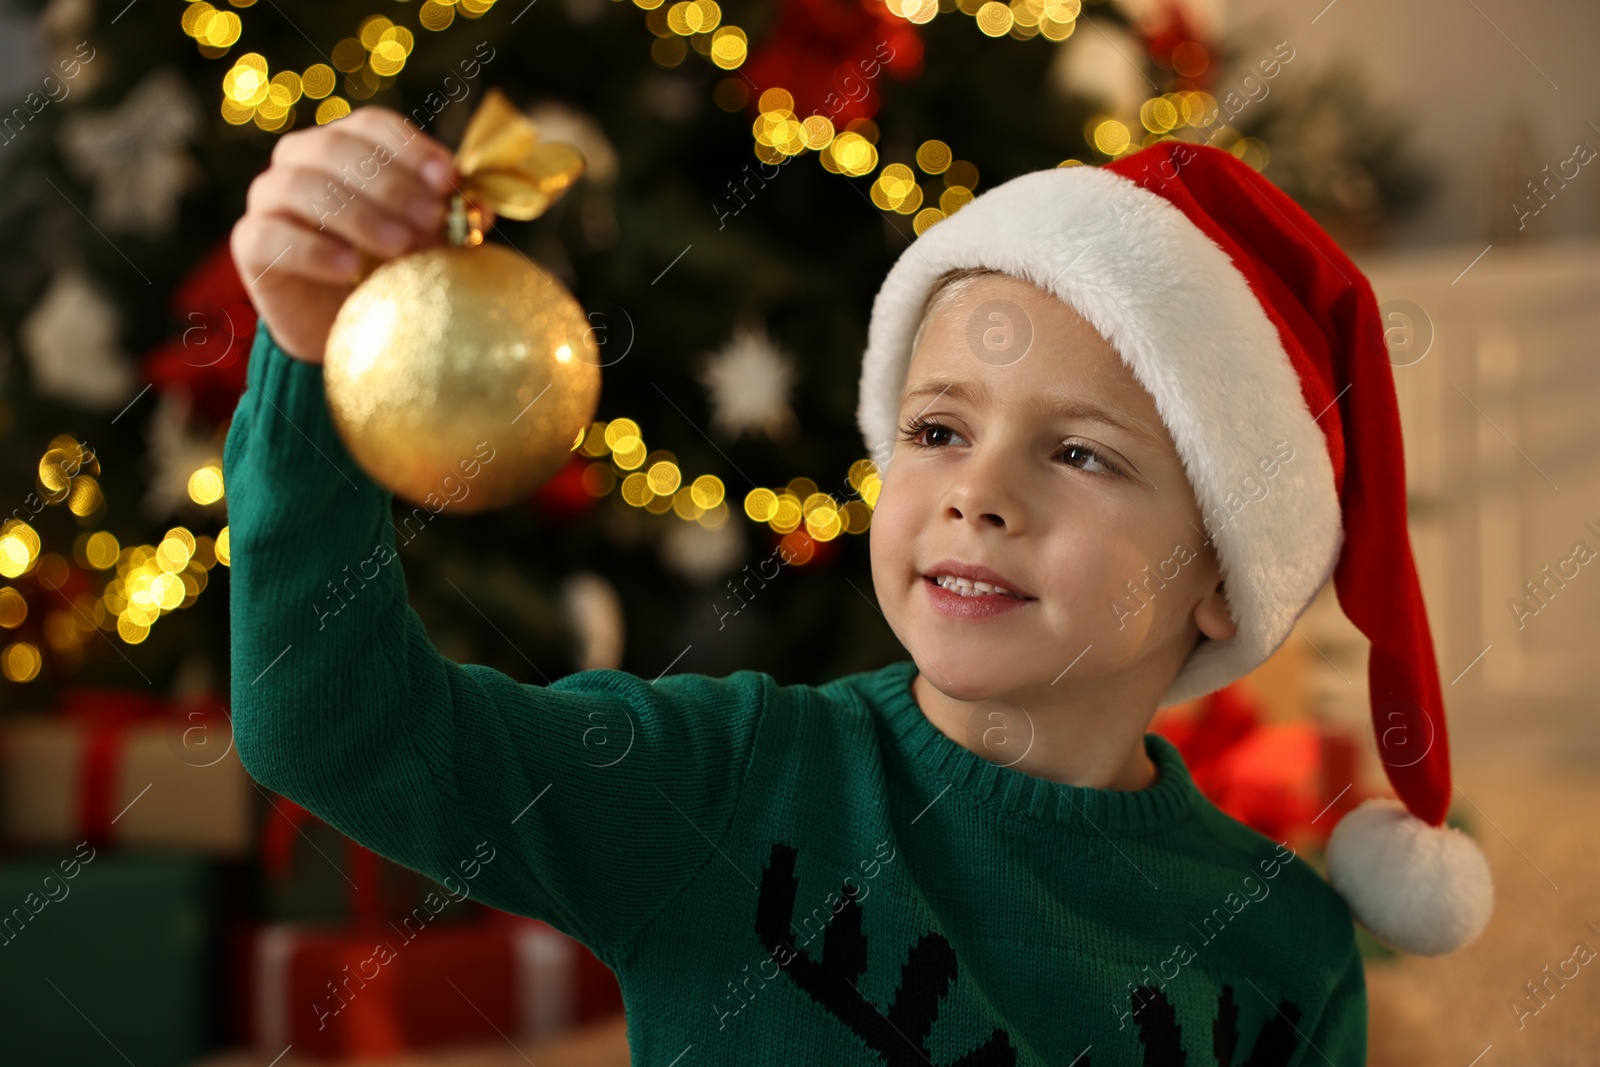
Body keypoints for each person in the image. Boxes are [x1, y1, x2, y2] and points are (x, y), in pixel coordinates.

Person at [227, 106, 1492, 1065]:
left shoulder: (1287, 950)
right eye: (938, 430)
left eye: (1078, 452)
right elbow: (331, 724)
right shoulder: (721, 781)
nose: (975, 491)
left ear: (1223, 577)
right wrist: (305, 354)